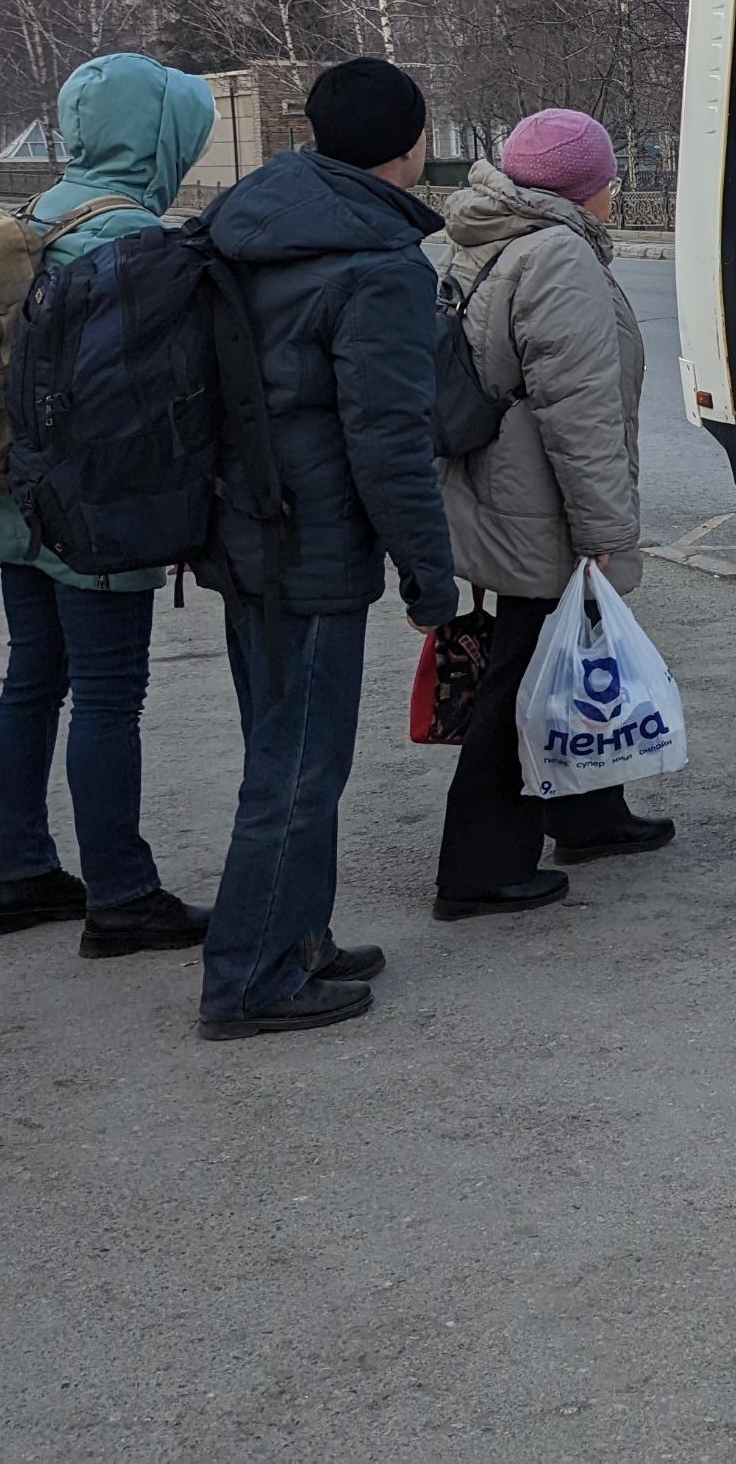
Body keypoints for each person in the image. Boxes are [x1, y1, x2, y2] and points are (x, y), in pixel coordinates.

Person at [191, 57, 458, 1039]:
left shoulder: (252, 220)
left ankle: (297, 932)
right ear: (413, 142)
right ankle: (250, 976)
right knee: (297, 767)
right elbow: (388, 440)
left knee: (287, 751)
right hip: (310, 547)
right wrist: (432, 577)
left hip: (244, 528)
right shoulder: (378, 264)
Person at [0, 53, 218, 956]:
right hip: (93, 510)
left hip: (9, 496)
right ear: (158, 137)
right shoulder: (131, 241)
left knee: (32, 680)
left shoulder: (28, 217)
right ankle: (121, 893)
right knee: (110, 696)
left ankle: (20, 874)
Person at [433, 108, 672, 917]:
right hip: (541, 501)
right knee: (527, 678)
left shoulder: (484, 234)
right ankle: (481, 865)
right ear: (585, 188)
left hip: (498, 487)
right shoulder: (556, 254)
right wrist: (604, 533)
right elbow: (580, 412)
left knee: (560, 659)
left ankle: (588, 813)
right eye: (606, 179)